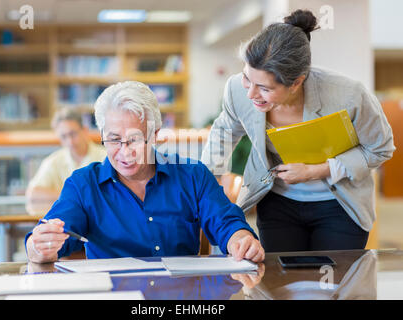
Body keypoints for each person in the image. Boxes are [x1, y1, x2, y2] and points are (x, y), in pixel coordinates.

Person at [201, 9, 395, 252]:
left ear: (296, 82)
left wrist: (317, 171)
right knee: (280, 283)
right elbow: (224, 133)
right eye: (246, 79)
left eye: (264, 88)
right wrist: (204, 183)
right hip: (278, 201)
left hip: (339, 203)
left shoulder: (348, 95)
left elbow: (380, 149)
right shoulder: (236, 90)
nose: (251, 93)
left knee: (333, 285)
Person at [25, 81, 265, 263]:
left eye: (135, 140)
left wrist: (240, 239)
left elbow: (226, 222)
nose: (124, 152)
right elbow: (50, 236)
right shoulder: (83, 184)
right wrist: (39, 246)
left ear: (155, 135)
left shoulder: (193, 176)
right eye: (114, 140)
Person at [25, 108, 107, 215]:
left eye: (73, 134)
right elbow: (33, 194)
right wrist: (73, 195)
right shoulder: (54, 161)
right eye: (64, 137)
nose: (70, 141)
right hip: (66, 219)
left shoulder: (105, 157)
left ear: (85, 130)